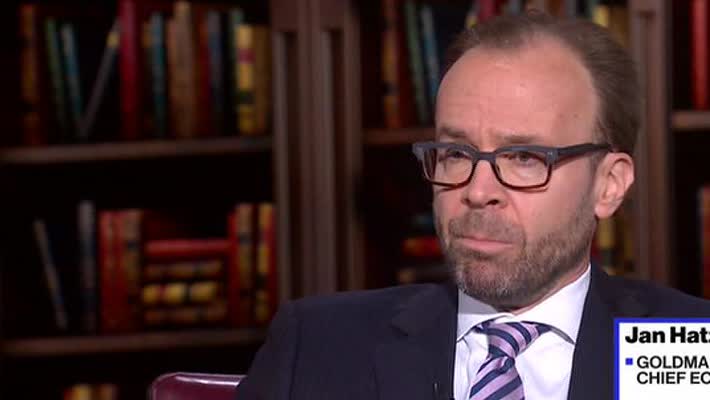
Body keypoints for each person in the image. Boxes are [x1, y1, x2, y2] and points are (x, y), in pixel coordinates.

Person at [235, 10, 710, 400]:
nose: (479, 192)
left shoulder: (688, 347)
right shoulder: (318, 345)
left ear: (609, 184)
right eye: (457, 154)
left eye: (524, 158)